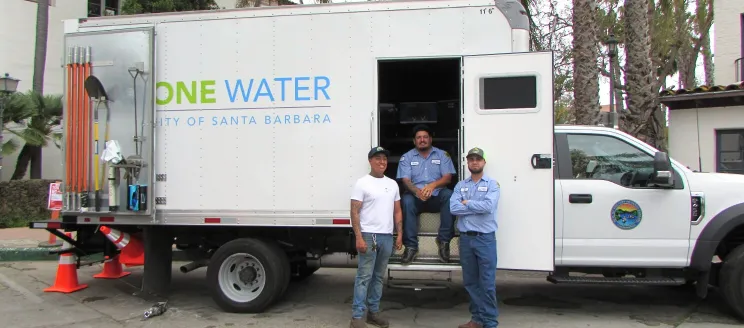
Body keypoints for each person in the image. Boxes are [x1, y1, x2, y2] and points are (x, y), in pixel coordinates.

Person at [349, 146, 404, 328]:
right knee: (364, 276)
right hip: (369, 235)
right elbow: (355, 211)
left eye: (384, 159)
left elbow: (397, 211)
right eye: (378, 158)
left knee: (378, 277)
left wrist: (399, 234)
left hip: (386, 237)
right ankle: (357, 317)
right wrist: (359, 237)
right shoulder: (362, 183)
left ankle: (373, 313)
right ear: (370, 161)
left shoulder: (392, 184)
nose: (382, 162)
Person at [449, 147, 501, 328]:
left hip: (485, 239)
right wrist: (474, 207)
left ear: (484, 162)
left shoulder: (493, 185)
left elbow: (488, 207)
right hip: (466, 240)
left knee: (487, 284)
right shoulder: (460, 185)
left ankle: (490, 323)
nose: (474, 162)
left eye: (478, 159)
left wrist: (468, 203)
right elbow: (454, 208)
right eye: (471, 159)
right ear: (468, 163)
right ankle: (477, 319)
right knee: (471, 283)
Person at [396, 124, 457, 264]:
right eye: (418, 138)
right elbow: (406, 180)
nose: (422, 140)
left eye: (425, 137)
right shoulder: (407, 157)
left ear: (430, 139)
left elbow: (447, 177)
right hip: (415, 198)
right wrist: (418, 192)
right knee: (406, 200)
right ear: (414, 141)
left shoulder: (442, 155)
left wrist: (432, 185)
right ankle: (411, 246)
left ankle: (444, 241)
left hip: (436, 196)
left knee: (450, 195)